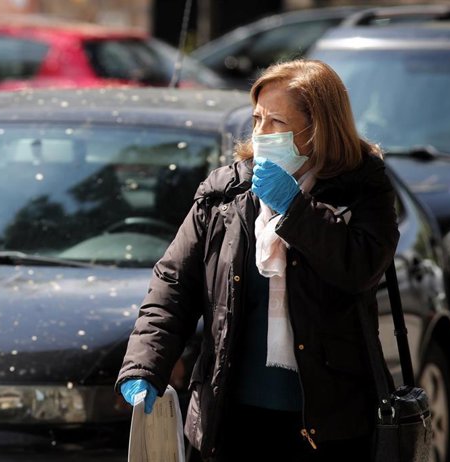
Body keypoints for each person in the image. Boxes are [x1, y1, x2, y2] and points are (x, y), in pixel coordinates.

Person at [115, 59, 400, 462]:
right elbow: (173, 285)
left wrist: (296, 210)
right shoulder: (226, 192)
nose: (262, 133)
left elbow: (360, 267)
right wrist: (144, 367)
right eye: (257, 119)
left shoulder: (363, 188)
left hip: (331, 427)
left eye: (277, 122)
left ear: (317, 129)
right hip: (231, 421)